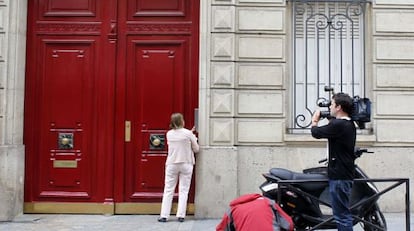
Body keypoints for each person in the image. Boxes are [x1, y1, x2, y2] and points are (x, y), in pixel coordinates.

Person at [310, 92, 356, 231]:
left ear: (339, 107)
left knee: (342, 216)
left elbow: (316, 133)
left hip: (340, 176)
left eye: (332, 104)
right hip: (344, 174)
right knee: (342, 214)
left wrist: (315, 121)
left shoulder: (340, 125)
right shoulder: (348, 123)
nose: (329, 106)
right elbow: (332, 130)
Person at [158, 113, 199, 223]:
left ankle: (164, 215)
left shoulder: (169, 134)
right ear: (182, 121)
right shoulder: (187, 133)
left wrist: (189, 135)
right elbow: (196, 149)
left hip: (172, 163)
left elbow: (180, 137)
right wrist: (192, 136)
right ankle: (181, 215)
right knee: (184, 190)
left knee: (168, 189)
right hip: (186, 163)